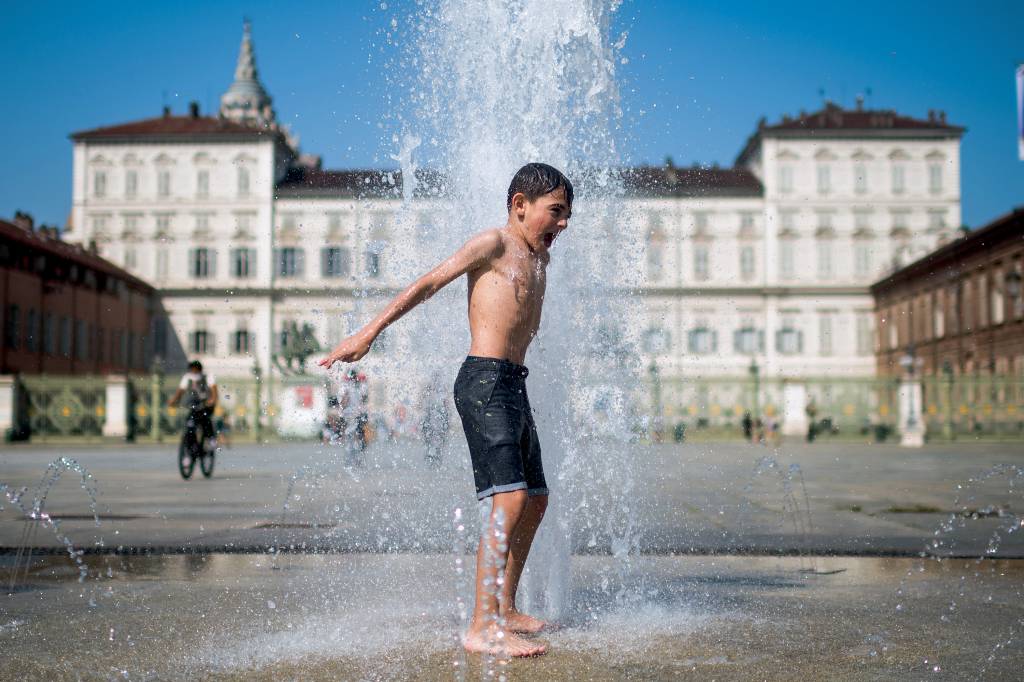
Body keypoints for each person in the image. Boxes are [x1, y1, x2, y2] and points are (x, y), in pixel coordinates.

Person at [320, 162, 572, 658]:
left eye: (568, 216)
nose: (563, 224)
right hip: (483, 380)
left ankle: (504, 605)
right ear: (520, 205)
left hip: (512, 383)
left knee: (536, 499)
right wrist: (367, 333)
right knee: (511, 499)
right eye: (556, 212)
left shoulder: (540, 261)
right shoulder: (493, 244)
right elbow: (429, 283)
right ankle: (482, 625)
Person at [167, 360, 219, 454]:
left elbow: (214, 389)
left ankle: (211, 439)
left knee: (205, 420)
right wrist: (174, 400)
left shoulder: (207, 377)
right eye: (192, 370)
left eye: (195, 370)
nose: (193, 372)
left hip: (206, 403)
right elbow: (181, 390)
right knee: (190, 423)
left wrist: (213, 400)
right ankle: (191, 445)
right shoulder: (187, 377)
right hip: (194, 404)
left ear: (199, 370)